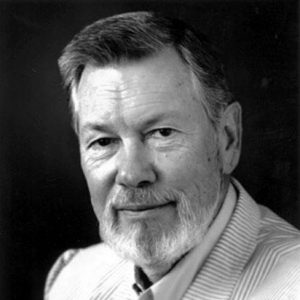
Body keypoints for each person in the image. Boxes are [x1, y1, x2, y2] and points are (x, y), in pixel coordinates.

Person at [44, 11, 300, 300]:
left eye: (162, 133)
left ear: (228, 139)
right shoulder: (74, 281)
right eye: (103, 141)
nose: (132, 174)